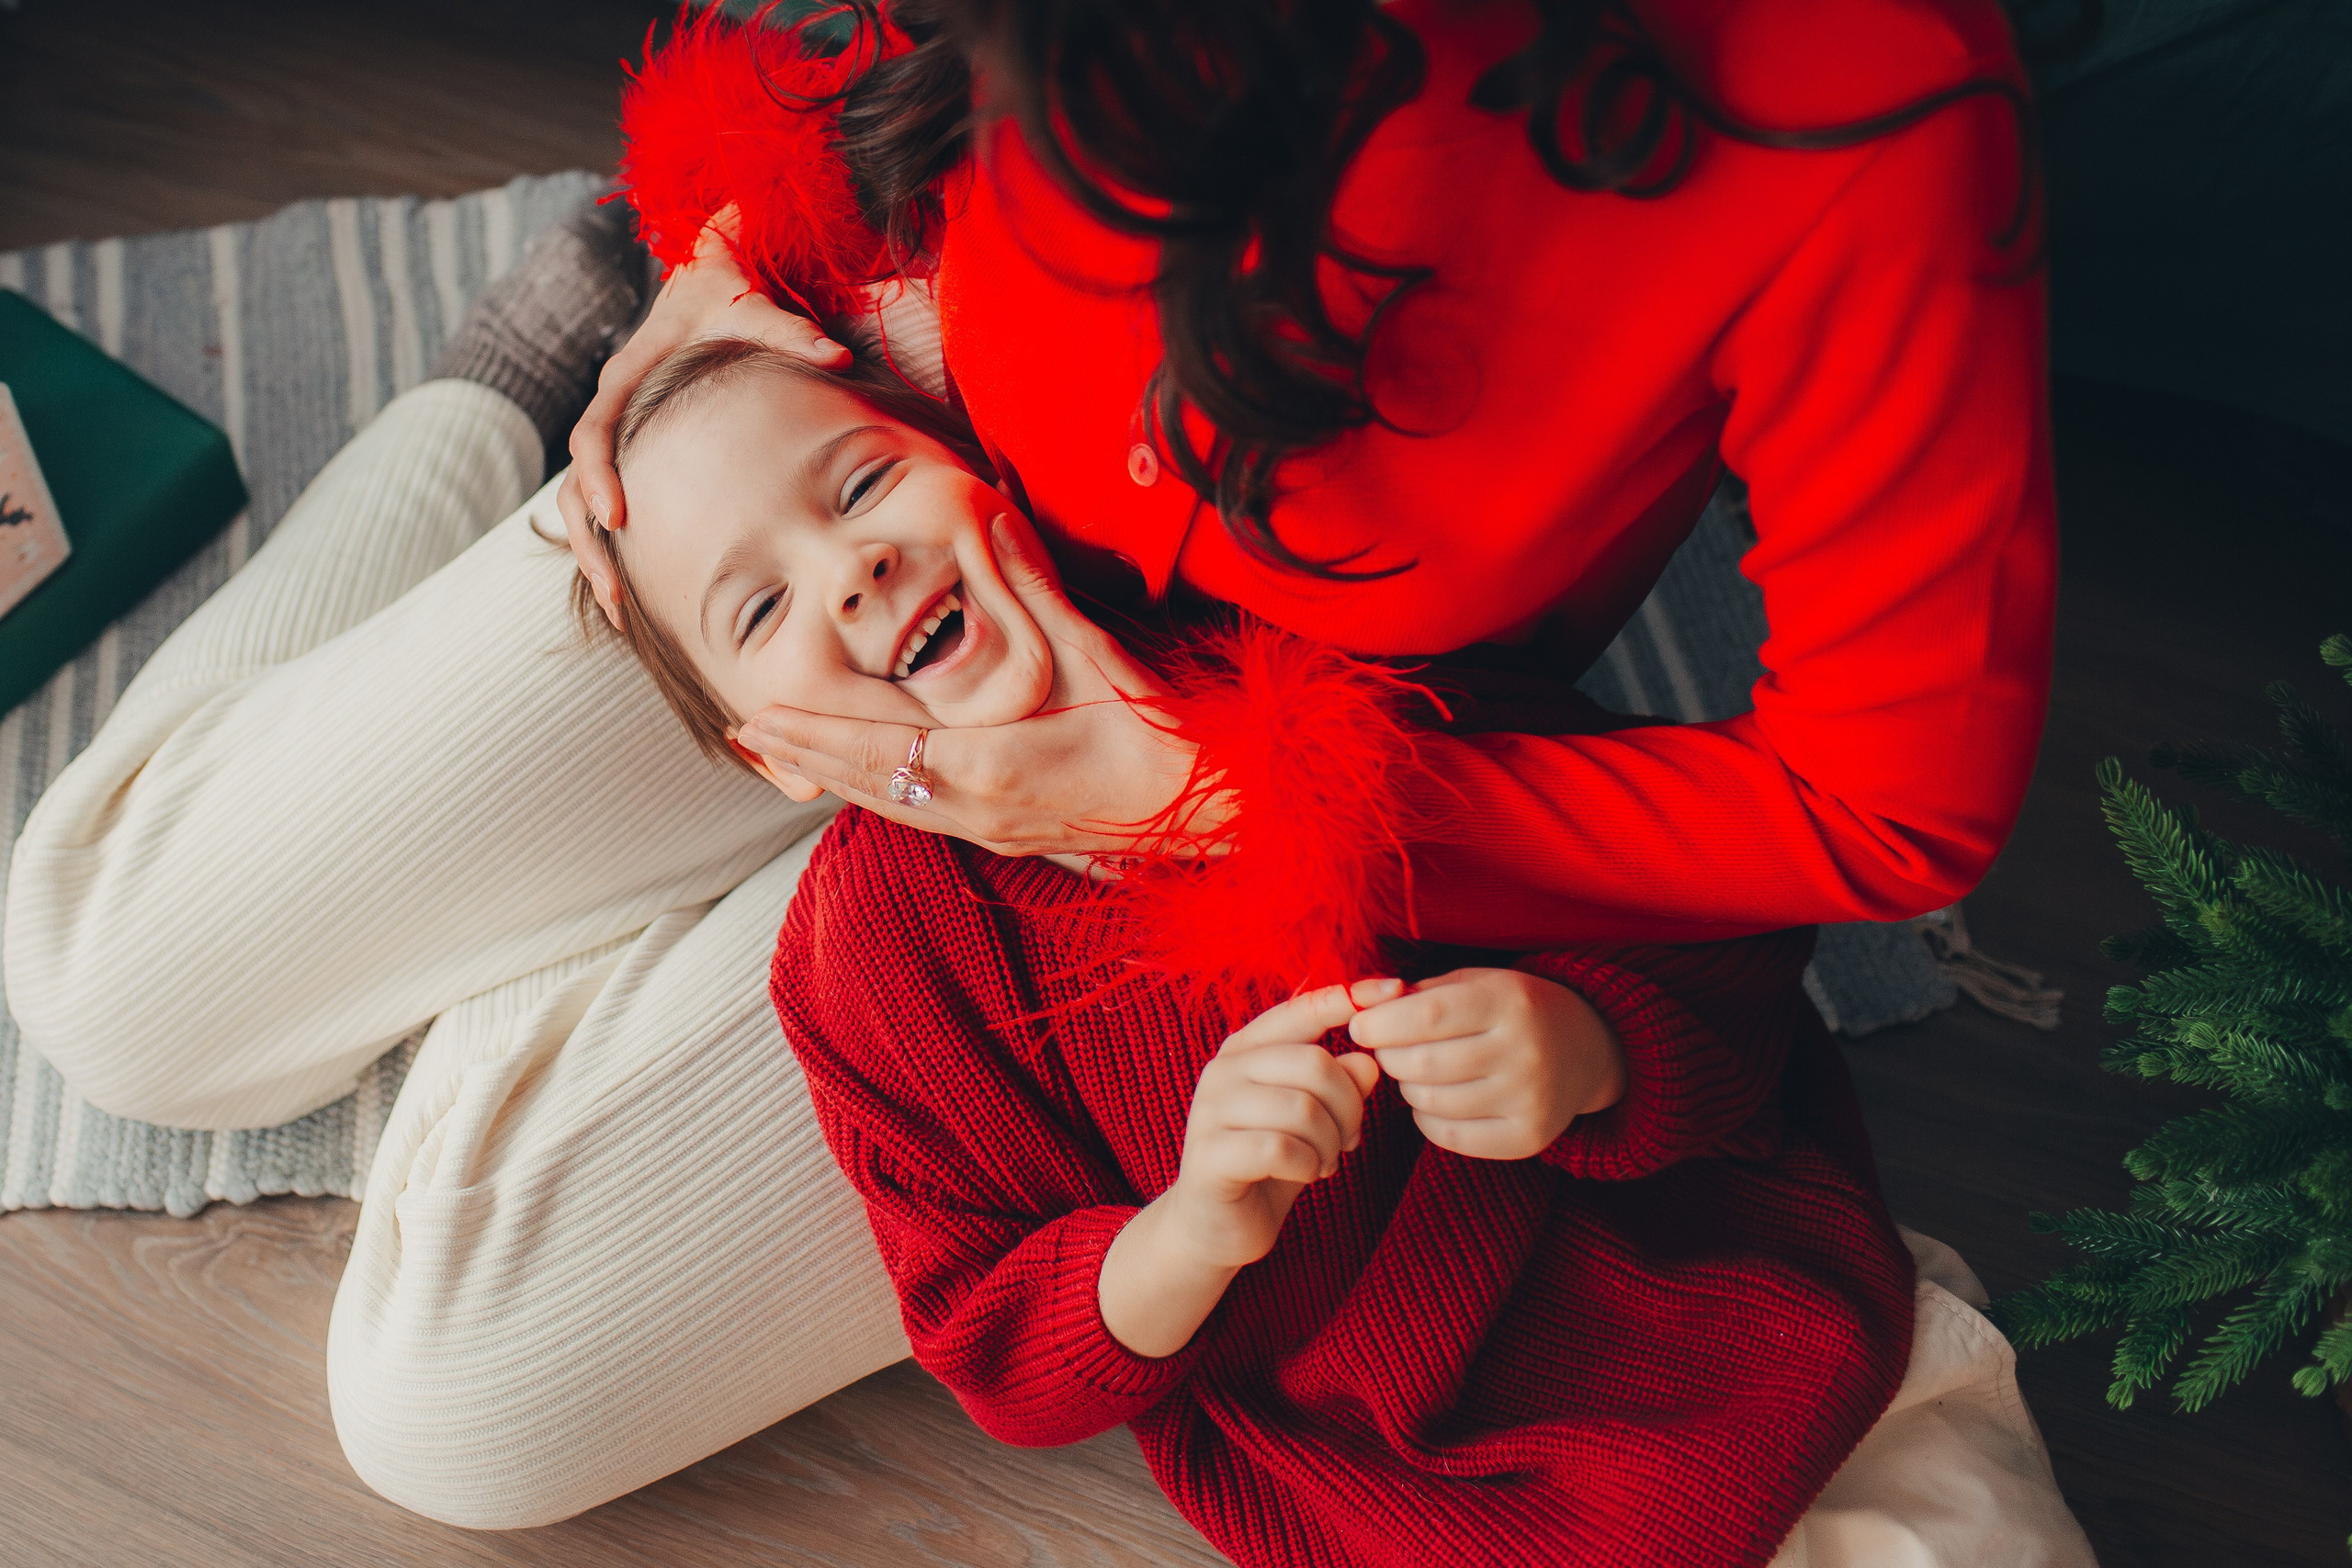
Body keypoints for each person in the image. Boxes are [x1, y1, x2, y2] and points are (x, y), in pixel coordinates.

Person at [0, 0, 2081, 1557]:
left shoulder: (1861, 94)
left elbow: (1880, 807)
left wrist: (1207, 811)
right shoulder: (836, 477)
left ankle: (685, 910)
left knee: (446, 1406)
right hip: (839, 442)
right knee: (105, 976)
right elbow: (796, 39)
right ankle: (531, 372)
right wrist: (732, 247)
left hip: (1279, 727)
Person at [579, 331, 2086, 1565]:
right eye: (762, 603)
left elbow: (1715, 911)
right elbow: (990, 1331)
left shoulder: (1289, 655)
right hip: (1403, 1503)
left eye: (861, 485)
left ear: (986, 476)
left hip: (1736, 1340)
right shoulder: (875, 964)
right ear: (768, 751)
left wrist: (1586, 1048)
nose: (847, 571)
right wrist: (1189, 1226)